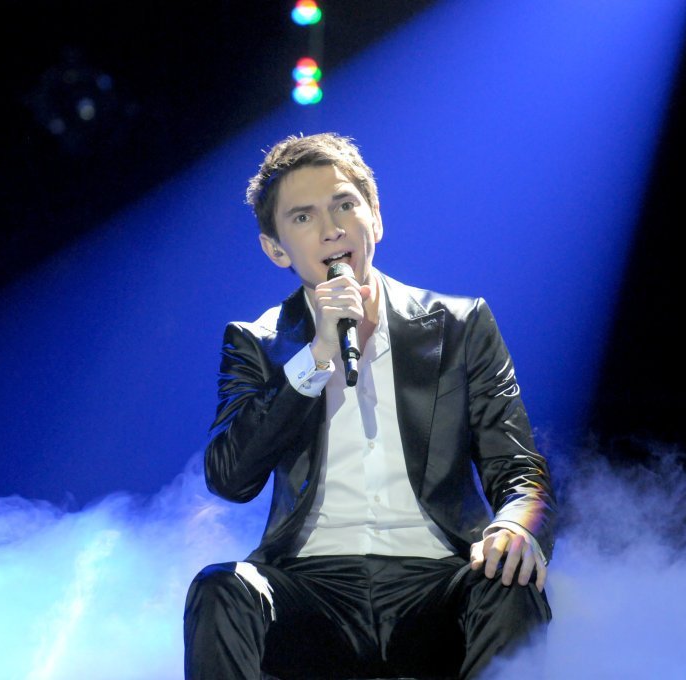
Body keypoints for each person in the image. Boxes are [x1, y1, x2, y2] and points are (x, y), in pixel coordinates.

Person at [184, 133, 555, 679]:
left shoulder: (460, 324)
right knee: (221, 589)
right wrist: (317, 355)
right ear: (276, 249)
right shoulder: (257, 341)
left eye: (344, 205)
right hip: (311, 588)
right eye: (303, 217)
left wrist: (517, 528)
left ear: (375, 218)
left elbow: (520, 468)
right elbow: (230, 478)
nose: (331, 228)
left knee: (511, 583)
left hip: (438, 580)